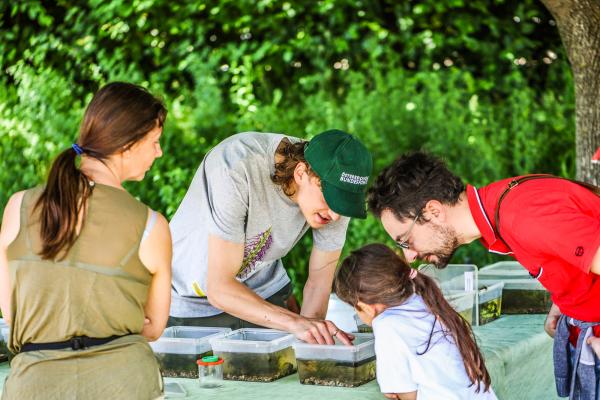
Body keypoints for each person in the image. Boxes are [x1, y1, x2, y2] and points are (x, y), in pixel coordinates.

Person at [367, 151, 600, 399]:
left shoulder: (523, 215)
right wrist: (567, 299)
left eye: (406, 240)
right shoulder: (501, 207)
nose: (410, 256)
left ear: (433, 211)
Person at [0, 82, 172, 400]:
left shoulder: (18, 207)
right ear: (129, 145)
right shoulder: (152, 225)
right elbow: (152, 327)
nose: (159, 152)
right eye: (155, 142)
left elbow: (11, 313)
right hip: (123, 384)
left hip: (34, 386)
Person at [169, 129, 372, 344]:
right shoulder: (236, 165)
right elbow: (219, 288)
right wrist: (296, 323)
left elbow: (319, 282)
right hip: (191, 298)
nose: (335, 215)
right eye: (331, 200)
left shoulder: (336, 190)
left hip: (265, 289)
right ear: (301, 172)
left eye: (342, 204)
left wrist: (313, 343)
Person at [334, 243, 496, 400]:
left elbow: (406, 394)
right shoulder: (426, 299)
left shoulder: (386, 326)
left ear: (365, 307)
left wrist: (395, 389)